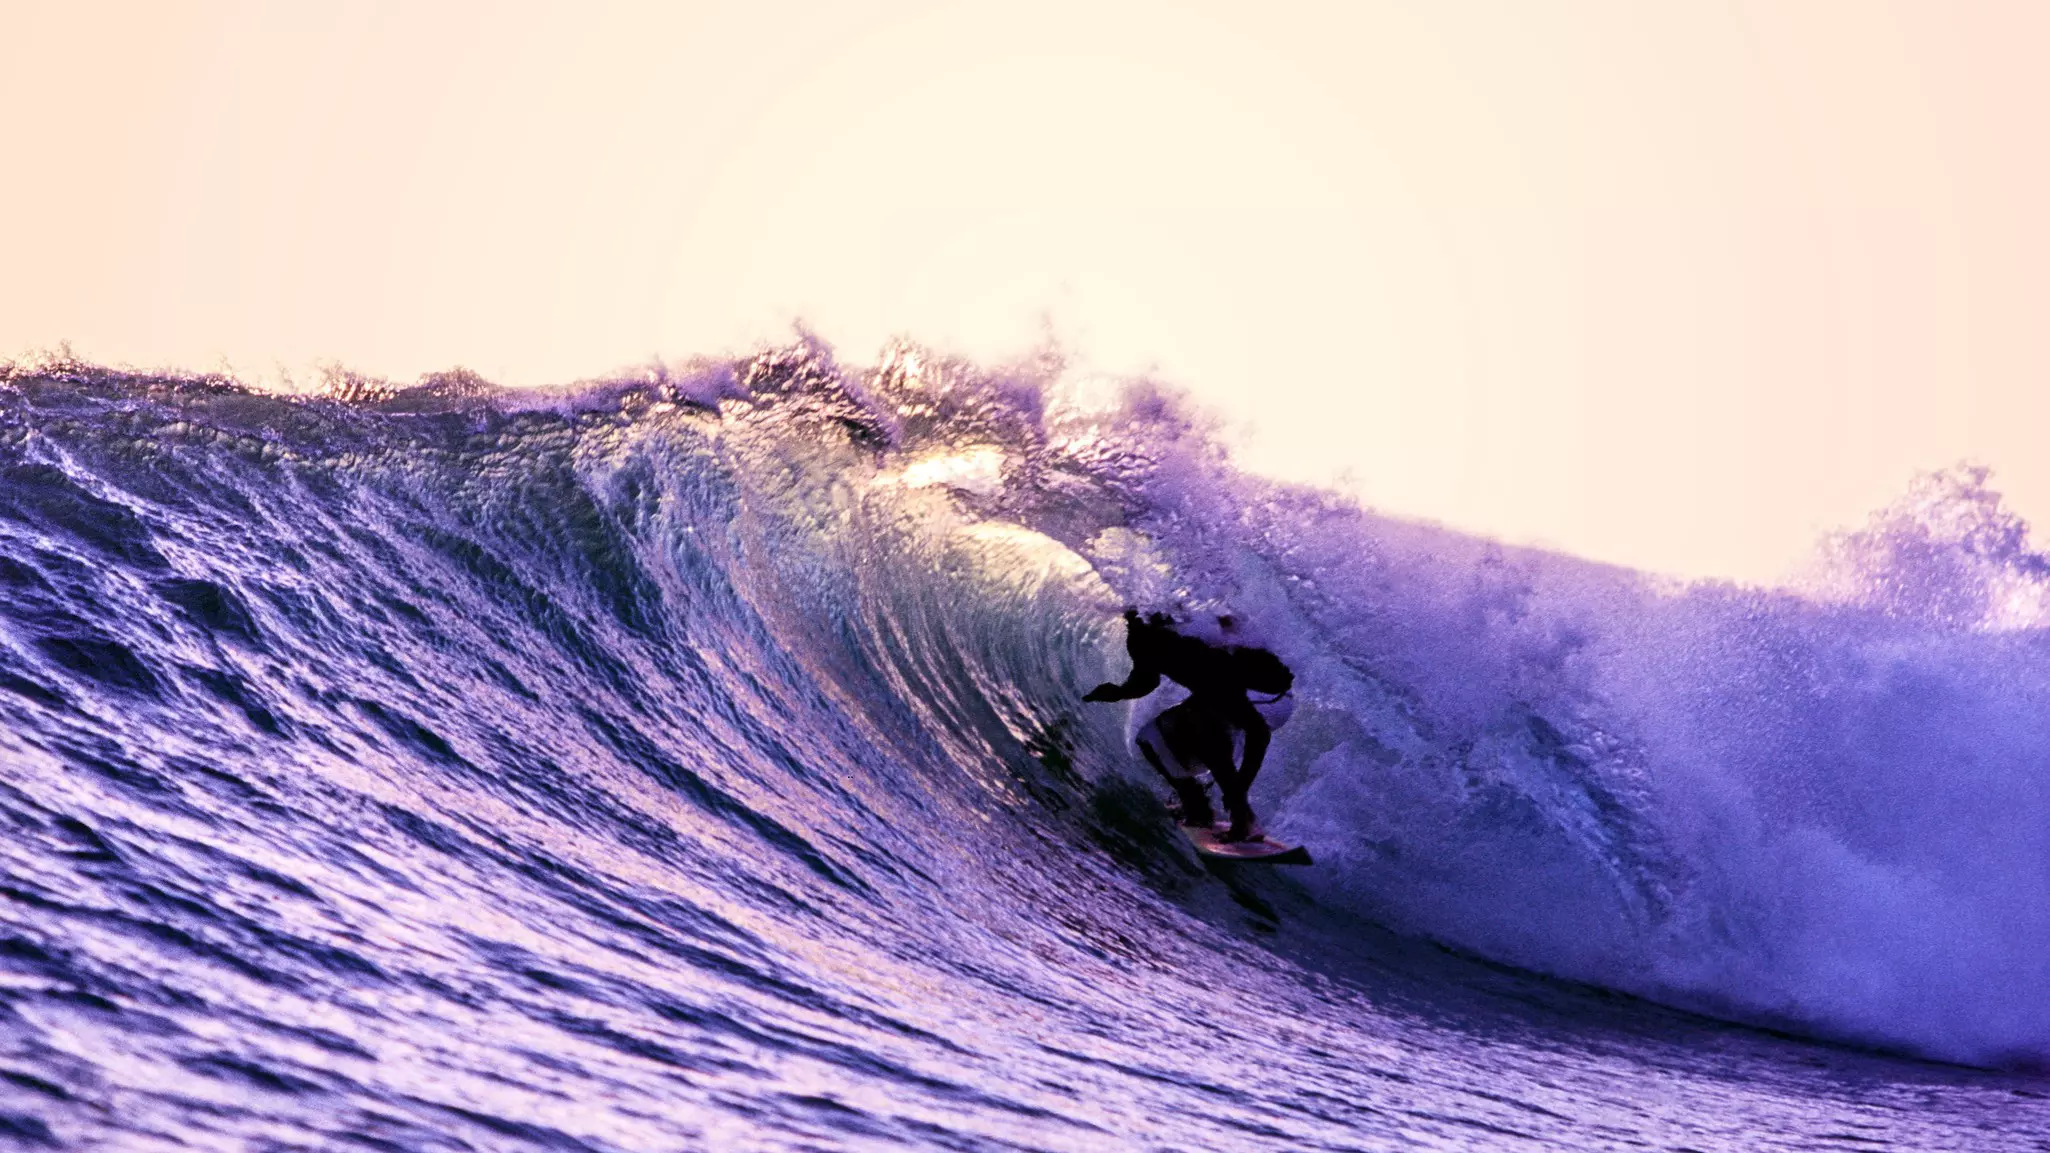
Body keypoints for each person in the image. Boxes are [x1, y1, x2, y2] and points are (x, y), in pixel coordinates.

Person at [1083, 608, 1294, 842]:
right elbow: (1146, 678)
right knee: (1150, 739)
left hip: (1271, 698)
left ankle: (1243, 820)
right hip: (1224, 690)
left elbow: (1258, 731)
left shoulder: (1199, 654)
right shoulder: (1142, 633)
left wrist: (1241, 785)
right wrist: (1120, 691)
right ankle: (1196, 802)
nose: (1131, 623)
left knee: (1204, 727)